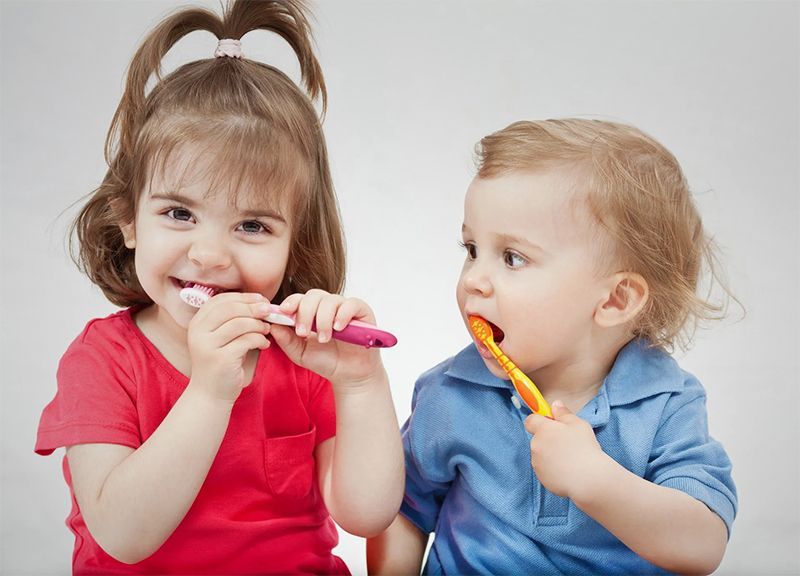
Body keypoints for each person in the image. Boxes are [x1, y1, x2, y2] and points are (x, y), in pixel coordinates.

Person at [35, 1, 403, 573]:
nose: (208, 254)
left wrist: (359, 386)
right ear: (127, 219)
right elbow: (123, 537)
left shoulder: (308, 361)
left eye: (252, 226)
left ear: (295, 243)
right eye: (179, 214)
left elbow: (367, 515)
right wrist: (209, 393)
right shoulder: (102, 360)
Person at [368, 119, 737, 575]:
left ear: (615, 299)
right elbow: (401, 510)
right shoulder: (450, 393)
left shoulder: (666, 405)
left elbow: (703, 545)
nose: (473, 281)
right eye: (471, 249)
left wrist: (597, 482)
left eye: (513, 258)